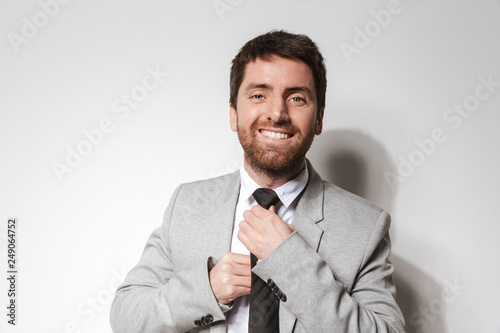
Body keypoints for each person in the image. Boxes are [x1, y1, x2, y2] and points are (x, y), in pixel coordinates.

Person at [110, 30, 405, 333]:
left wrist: (289, 260)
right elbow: (126, 317)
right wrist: (206, 291)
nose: (277, 113)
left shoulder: (365, 226)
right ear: (233, 114)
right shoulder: (186, 205)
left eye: (296, 98)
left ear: (318, 119)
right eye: (259, 95)